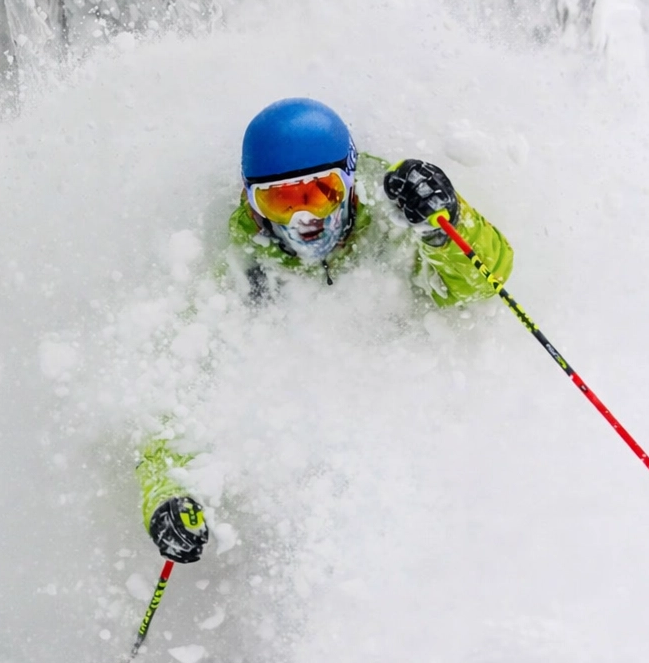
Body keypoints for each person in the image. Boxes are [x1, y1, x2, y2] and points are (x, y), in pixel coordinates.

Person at [136, 97, 516, 565]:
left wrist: (443, 224)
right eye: (280, 201)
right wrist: (167, 493)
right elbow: (178, 396)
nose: (304, 218)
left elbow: (481, 284)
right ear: (251, 203)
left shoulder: (392, 220)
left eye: (320, 193)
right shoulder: (240, 274)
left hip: (428, 436)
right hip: (311, 477)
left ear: (352, 182)